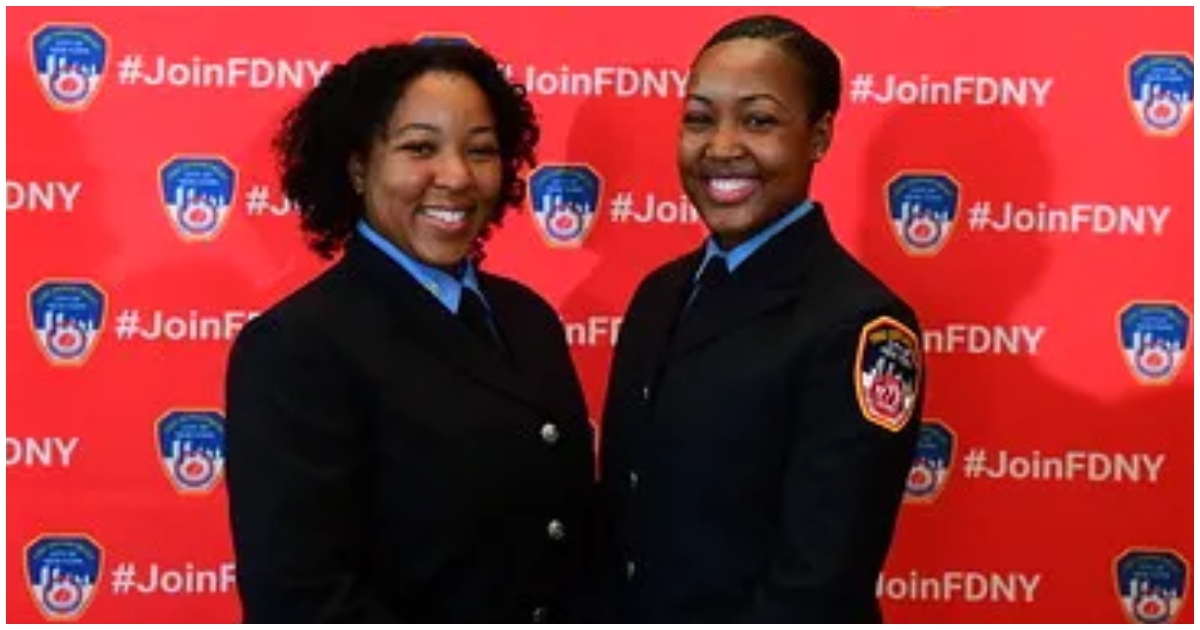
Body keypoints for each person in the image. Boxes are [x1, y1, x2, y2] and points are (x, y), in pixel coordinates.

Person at [223, 41, 595, 623]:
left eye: (480, 151)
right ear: (357, 167)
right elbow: (301, 597)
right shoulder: (298, 345)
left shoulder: (528, 318)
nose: (455, 176)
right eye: (419, 148)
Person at [597, 14, 925, 622]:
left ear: (819, 136)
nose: (721, 147)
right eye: (699, 118)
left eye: (759, 120)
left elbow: (819, 581)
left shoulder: (862, 326)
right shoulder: (659, 294)